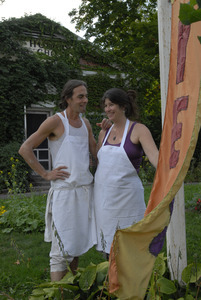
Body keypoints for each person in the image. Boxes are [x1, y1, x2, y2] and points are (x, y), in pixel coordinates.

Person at [19, 79, 109, 281]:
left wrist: (105, 132)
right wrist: (45, 174)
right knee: (61, 250)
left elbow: (96, 153)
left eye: (86, 95)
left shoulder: (85, 124)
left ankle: (69, 288)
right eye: (80, 96)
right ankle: (56, 292)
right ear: (68, 98)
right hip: (65, 193)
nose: (85, 100)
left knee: (76, 245)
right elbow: (25, 149)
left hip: (85, 192)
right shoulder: (55, 121)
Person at [93, 87, 159, 256]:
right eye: (106, 105)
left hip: (128, 200)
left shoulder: (139, 130)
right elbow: (100, 163)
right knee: (109, 249)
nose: (107, 109)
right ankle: (112, 282)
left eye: (111, 104)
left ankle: (132, 282)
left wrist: (170, 172)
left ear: (123, 106)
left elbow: (156, 159)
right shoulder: (104, 133)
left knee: (130, 249)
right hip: (105, 201)